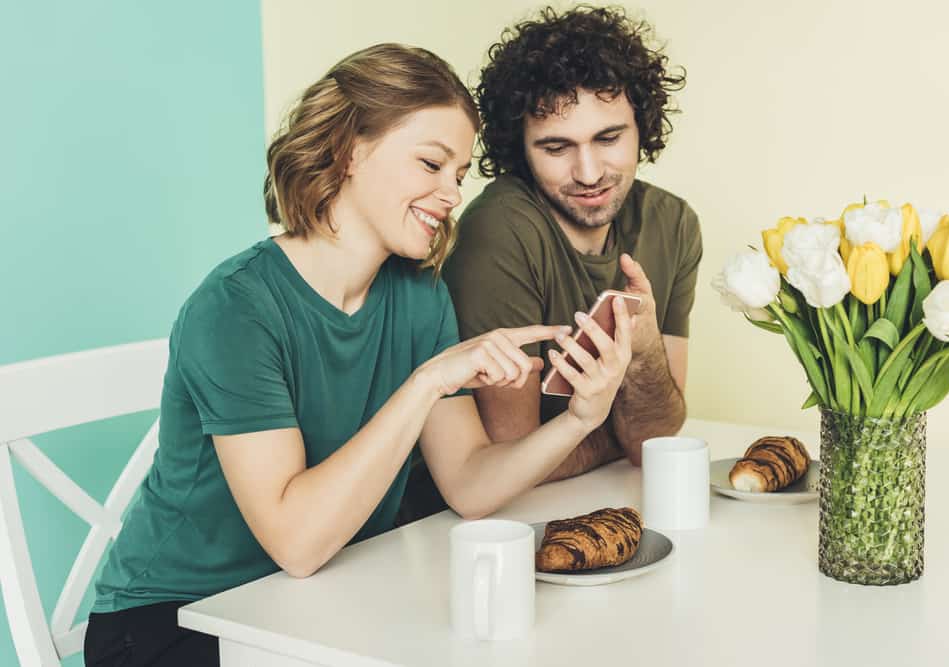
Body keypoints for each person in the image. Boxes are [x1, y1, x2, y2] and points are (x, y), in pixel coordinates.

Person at [84, 43, 632, 666]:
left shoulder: (419, 298)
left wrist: (583, 416)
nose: (451, 194)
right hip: (171, 622)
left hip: (314, 603)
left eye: (459, 174)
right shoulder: (236, 308)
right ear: (350, 151)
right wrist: (425, 382)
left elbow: (470, 485)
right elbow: (297, 542)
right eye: (431, 163)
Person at [399, 6, 701, 522]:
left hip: (591, 503)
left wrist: (645, 346)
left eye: (608, 138)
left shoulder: (671, 223)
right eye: (557, 147)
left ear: (641, 126)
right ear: (520, 149)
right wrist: (614, 431)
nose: (589, 172)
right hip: (463, 530)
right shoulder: (500, 230)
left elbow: (657, 437)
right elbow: (511, 457)